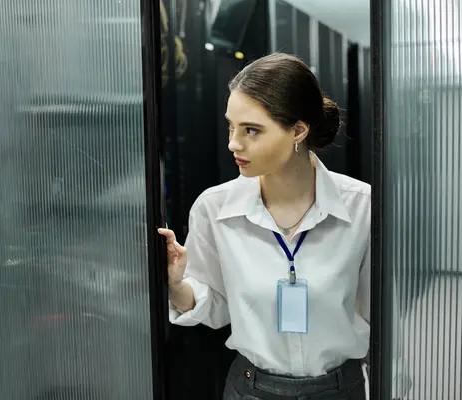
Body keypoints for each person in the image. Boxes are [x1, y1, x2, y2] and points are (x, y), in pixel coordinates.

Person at [158, 53, 370, 400]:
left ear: (298, 130)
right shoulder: (215, 209)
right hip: (252, 389)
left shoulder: (361, 207)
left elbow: (380, 317)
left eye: (251, 130)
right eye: (231, 126)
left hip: (338, 389)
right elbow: (216, 305)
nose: (233, 143)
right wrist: (176, 283)